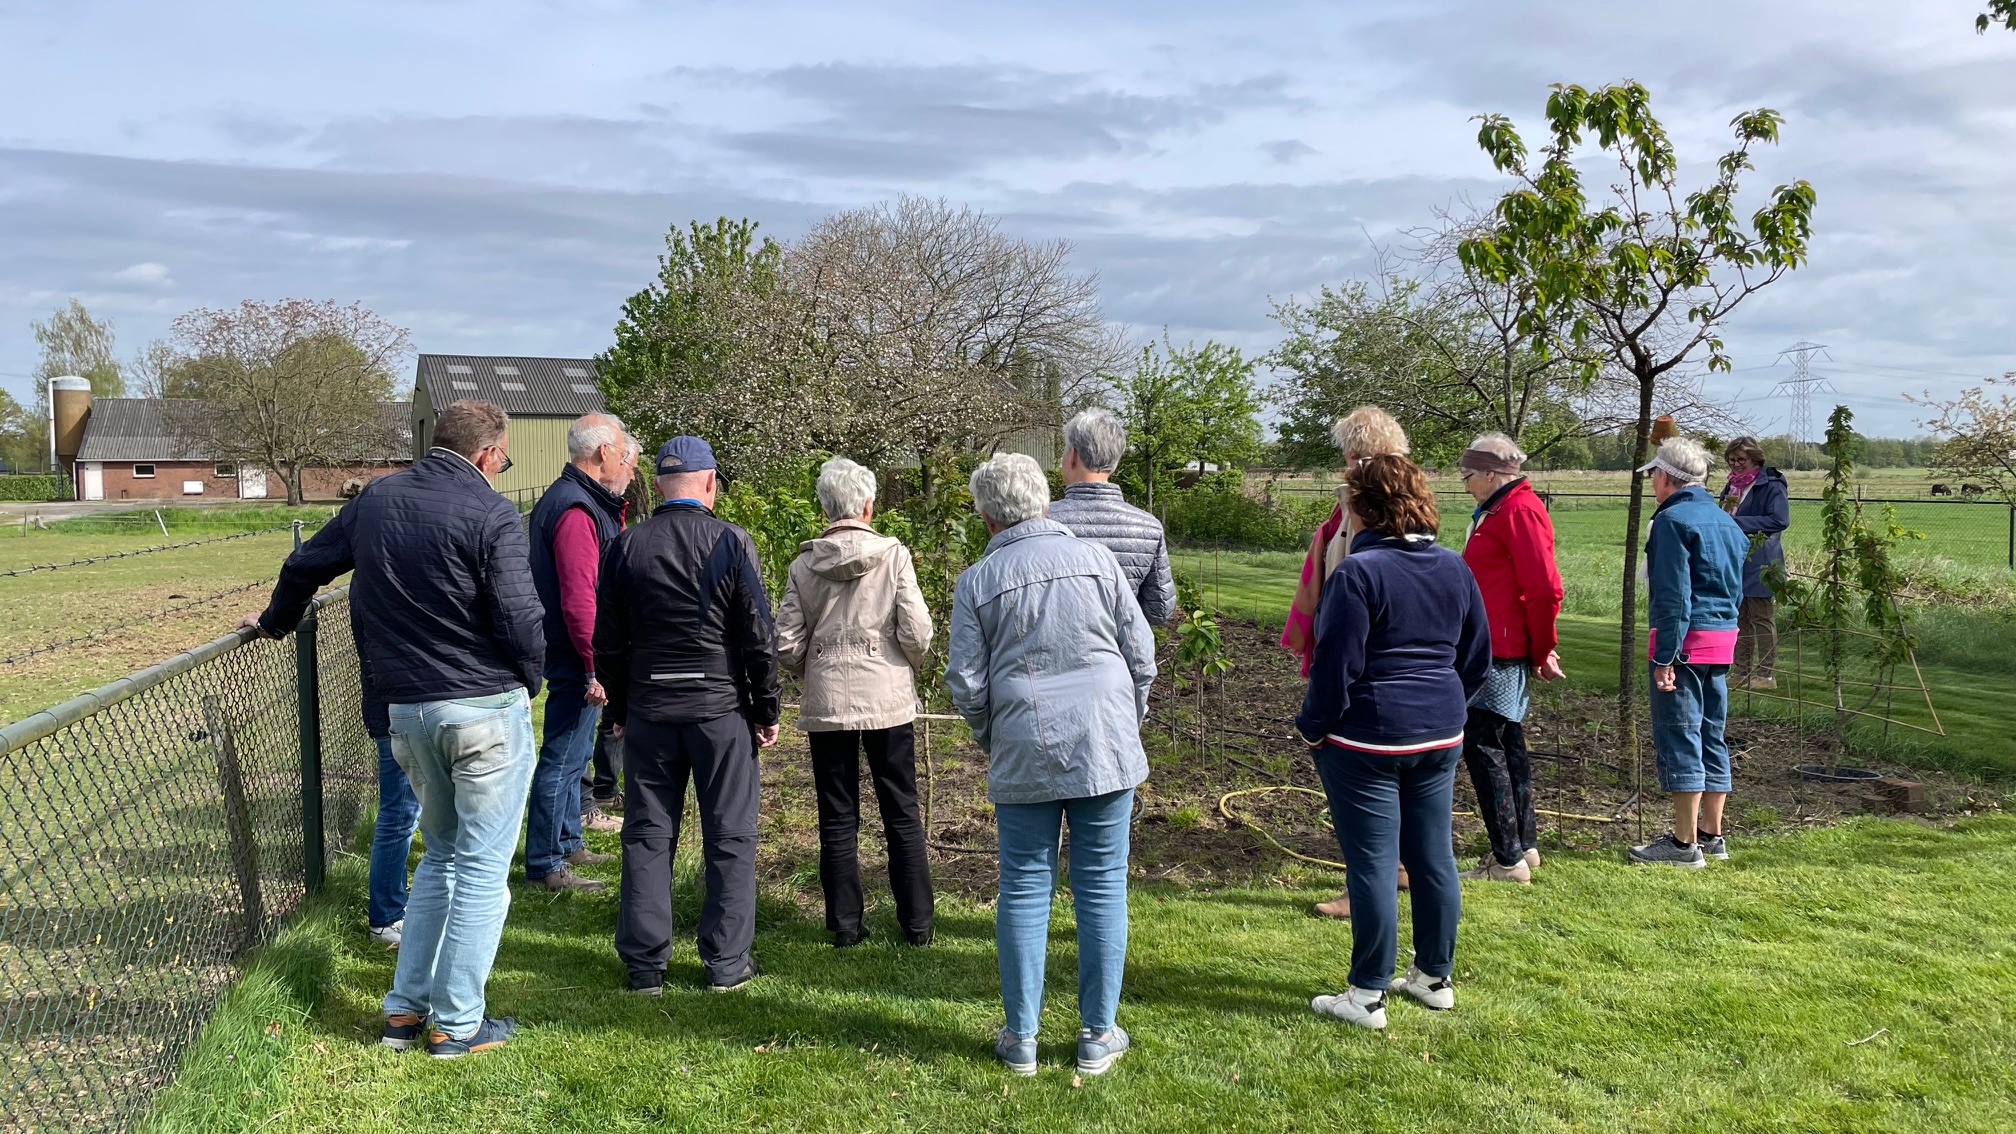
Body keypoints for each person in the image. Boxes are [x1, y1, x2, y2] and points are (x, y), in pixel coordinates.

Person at [242, 398, 543, 1058]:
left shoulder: (376, 499)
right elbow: (520, 616)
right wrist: (530, 678)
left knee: (439, 855)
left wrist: (275, 622)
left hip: (407, 710)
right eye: (503, 460)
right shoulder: (491, 511)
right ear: (489, 454)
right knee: (482, 870)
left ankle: (405, 1012)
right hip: (482, 709)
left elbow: (303, 566)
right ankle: (457, 1023)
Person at [945, 453, 1157, 1078]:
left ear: (987, 516)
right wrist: (1125, 722)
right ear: (1043, 499)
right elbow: (1141, 655)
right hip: (1103, 742)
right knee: (1102, 884)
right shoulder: (1098, 560)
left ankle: (1022, 1039)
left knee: (1024, 886)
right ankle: (1097, 1034)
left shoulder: (978, 580)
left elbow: (966, 682)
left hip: (1024, 740)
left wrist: (995, 737)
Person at [1295, 455, 1490, 1030]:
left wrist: (1313, 726)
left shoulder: (1358, 573)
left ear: (1363, 508)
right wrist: (1443, 705)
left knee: (1373, 865)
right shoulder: (1455, 567)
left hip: (1368, 739)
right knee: (1433, 856)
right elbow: (1476, 658)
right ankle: (1433, 978)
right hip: (1440, 733)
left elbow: (1335, 666)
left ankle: (1366, 995)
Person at [599, 435, 781, 996]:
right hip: (718, 710)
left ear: (657, 485)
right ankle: (726, 963)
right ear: (709, 483)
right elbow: (759, 636)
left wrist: (621, 709)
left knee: (647, 833)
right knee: (730, 833)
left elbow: (607, 642)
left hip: (651, 710)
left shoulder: (625, 545)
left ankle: (644, 967)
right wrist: (766, 708)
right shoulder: (731, 541)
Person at [775, 456, 936, 948]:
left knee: (837, 815)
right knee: (901, 811)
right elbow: (918, 632)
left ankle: (845, 926)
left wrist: (815, 669)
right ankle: (918, 926)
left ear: (826, 507)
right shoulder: (894, 556)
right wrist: (902, 664)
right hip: (887, 697)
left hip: (828, 701)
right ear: (867, 505)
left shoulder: (804, 565)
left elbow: (786, 643)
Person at [1280, 405, 1412, 920]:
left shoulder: (1368, 507)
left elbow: (1356, 583)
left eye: (1348, 455)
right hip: (1389, 670)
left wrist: (1321, 705)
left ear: (1362, 455)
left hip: (1362, 665)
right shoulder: (1397, 502)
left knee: (1359, 788)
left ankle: (1363, 892)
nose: (1343, 463)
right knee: (1395, 788)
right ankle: (1397, 868)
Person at [522, 414, 639, 892]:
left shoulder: (577, 499)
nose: (628, 464)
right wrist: (594, 666)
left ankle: (569, 842)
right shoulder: (575, 509)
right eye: (623, 453)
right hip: (577, 654)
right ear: (603, 452)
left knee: (573, 756)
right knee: (563, 756)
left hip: (577, 650)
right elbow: (578, 597)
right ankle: (546, 864)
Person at [1629, 438, 1748, 869]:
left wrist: (1665, 656)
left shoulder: (1671, 521)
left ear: (1665, 476)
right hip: (1722, 639)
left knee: (1680, 733)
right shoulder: (1726, 521)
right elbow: (1735, 591)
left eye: (1653, 476)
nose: (1652, 484)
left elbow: (1673, 596)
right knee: (1712, 734)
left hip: (1685, 643)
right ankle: (1712, 835)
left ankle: (1683, 844)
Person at [1456, 434, 1565, 885]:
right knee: (1507, 743)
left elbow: (1544, 588)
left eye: (1467, 476)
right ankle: (1523, 846)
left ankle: (1506, 859)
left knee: (1484, 745)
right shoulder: (1500, 509)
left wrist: (1541, 648)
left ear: (1490, 473)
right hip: (1492, 642)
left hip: (1498, 648)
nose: (1465, 484)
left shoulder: (1518, 510)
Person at [1045, 408, 1176, 623]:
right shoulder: (1148, 527)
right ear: (1114, 462)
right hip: (1119, 641)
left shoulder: (1041, 520)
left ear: (1073, 455)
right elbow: (1160, 609)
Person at [1719, 436, 1789, 691]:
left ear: (1755, 458)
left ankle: (1766, 675)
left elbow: (1780, 520)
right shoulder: (1732, 485)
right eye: (1732, 460)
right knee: (1740, 618)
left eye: (1741, 459)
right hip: (1736, 558)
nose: (1736, 464)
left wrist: (1738, 523)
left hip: (1762, 560)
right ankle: (1742, 671)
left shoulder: (1771, 484)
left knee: (1762, 618)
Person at [361, 654, 419, 949]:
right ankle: (385, 918)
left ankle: (393, 907)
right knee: (399, 814)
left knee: (405, 813)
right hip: (393, 707)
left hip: (397, 702)